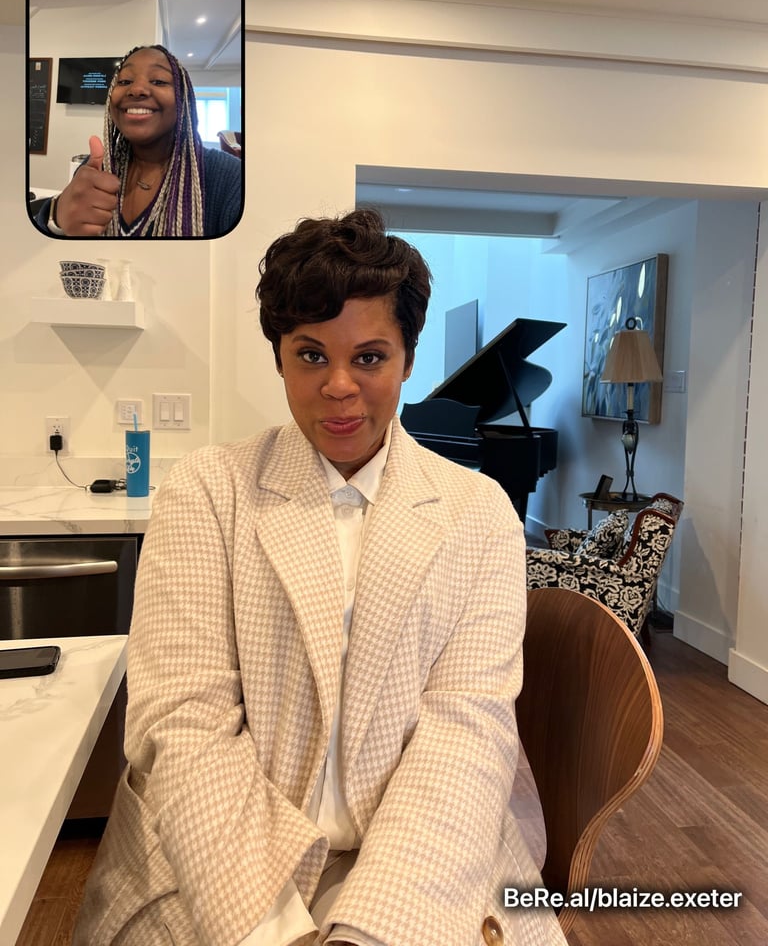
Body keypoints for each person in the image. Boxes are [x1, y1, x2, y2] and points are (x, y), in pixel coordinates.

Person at [72, 209, 566, 946]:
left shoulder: (478, 512)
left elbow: (466, 730)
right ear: (279, 357)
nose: (339, 387)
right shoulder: (208, 491)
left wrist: (371, 933)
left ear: (407, 359)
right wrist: (271, 929)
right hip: (225, 863)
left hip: (424, 855)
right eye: (311, 355)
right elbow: (183, 720)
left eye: (369, 357)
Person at [33, 45, 242, 238]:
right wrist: (57, 219)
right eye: (124, 81)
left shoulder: (231, 177)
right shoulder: (95, 169)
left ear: (183, 99)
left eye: (158, 81)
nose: (136, 89)